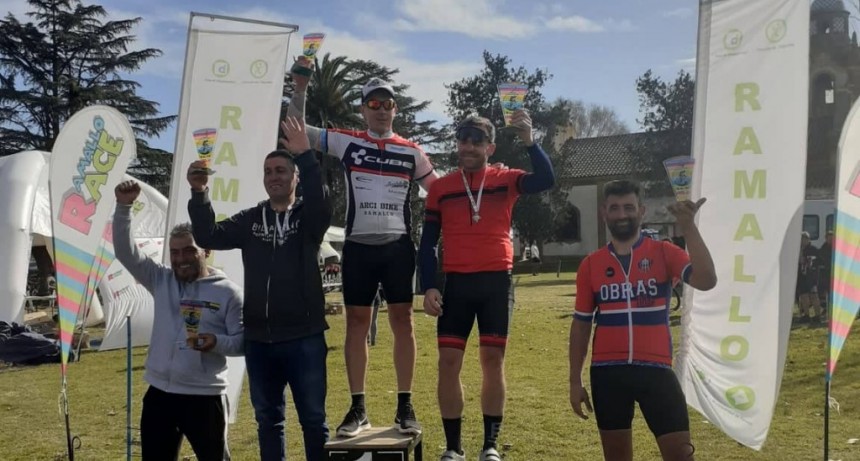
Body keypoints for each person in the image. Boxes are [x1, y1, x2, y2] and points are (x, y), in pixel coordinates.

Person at [289, 56, 435, 437]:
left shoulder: (412, 151)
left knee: (403, 321)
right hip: (358, 247)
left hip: (398, 247)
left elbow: (439, 191)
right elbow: (295, 131)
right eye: (374, 103)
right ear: (363, 109)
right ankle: (358, 408)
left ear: (395, 109)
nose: (381, 110)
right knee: (356, 324)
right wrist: (300, 90)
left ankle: (405, 406)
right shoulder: (348, 141)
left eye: (387, 104)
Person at [186, 116, 332, 461]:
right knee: (268, 421)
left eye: (281, 170)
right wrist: (199, 192)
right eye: (268, 172)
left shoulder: (308, 218)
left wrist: (306, 155)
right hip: (260, 341)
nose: (273, 177)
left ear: (295, 177)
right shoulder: (251, 219)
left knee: (313, 421)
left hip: (304, 337)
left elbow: (322, 201)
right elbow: (207, 235)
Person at [419, 111, 555, 461]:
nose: (468, 146)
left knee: (492, 361)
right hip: (456, 284)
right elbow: (428, 242)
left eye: (476, 140)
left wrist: (529, 141)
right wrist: (429, 286)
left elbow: (546, 179)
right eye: (463, 139)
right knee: (448, 363)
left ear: (490, 147)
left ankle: (490, 445)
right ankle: (453, 448)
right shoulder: (440, 188)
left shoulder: (505, 179)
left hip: (496, 282)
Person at [568, 180, 717, 461]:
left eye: (629, 207)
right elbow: (581, 325)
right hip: (608, 373)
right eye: (614, 208)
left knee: (681, 456)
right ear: (604, 213)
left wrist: (688, 226)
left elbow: (707, 279)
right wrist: (575, 380)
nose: (622, 214)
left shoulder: (663, 252)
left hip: (656, 370)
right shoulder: (591, 264)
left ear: (641, 211)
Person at [113, 181, 244, 461]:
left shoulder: (229, 293)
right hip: (160, 393)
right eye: (174, 252)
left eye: (189, 250)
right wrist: (124, 207)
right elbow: (126, 253)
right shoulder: (161, 279)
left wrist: (216, 342)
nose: (181, 259)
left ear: (206, 251)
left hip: (205, 396)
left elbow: (242, 342)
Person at [796, 231, 822, 322]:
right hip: (801, 276)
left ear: (808, 239)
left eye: (804, 239)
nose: (802, 241)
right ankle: (806, 315)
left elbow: (819, 261)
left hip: (811, 276)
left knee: (814, 295)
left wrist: (810, 261)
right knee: (803, 296)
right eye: (801, 239)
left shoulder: (813, 249)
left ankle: (817, 316)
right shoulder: (797, 250)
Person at [817, 230, 834, 313]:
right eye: (829, 238)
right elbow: (820, 260)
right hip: (826, 274)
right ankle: (826, 308)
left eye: (832, 238)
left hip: (836, 274)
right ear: (826, 238)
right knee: (826, 291)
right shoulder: (823, 249)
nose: (830, 240)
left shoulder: (838, 248)